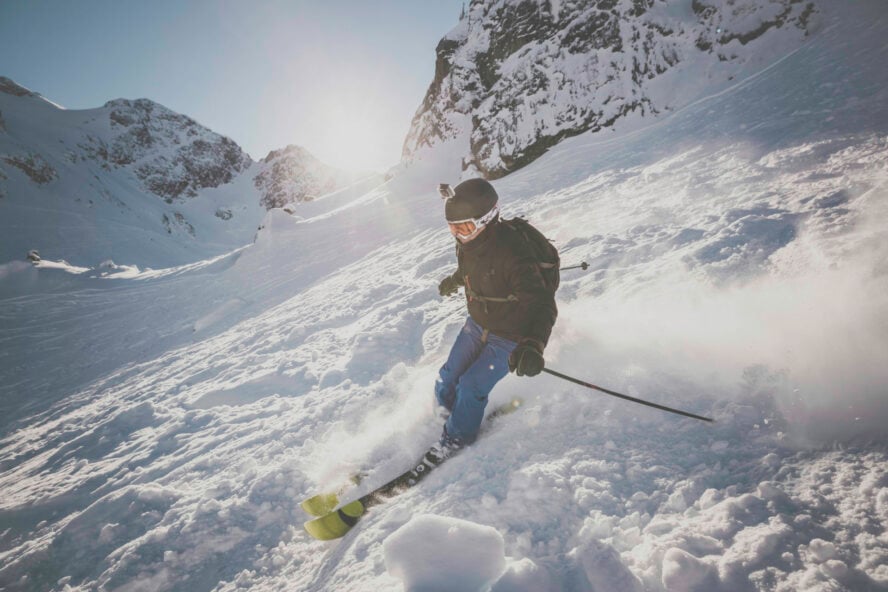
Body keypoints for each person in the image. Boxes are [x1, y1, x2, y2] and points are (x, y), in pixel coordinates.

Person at [432, 178, 558, 458]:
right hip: (477, 325)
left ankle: (457, 438)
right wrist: (455, 281)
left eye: (465, 228)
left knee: (471, 385)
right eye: (453, 228)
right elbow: (472, 270)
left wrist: (533, 344)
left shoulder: (513, 252)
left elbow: (542, 304)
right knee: (446, 379)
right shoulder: (467, 244)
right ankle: (449, 419)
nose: (459, 235)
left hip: (509, 336)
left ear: (487, 219)